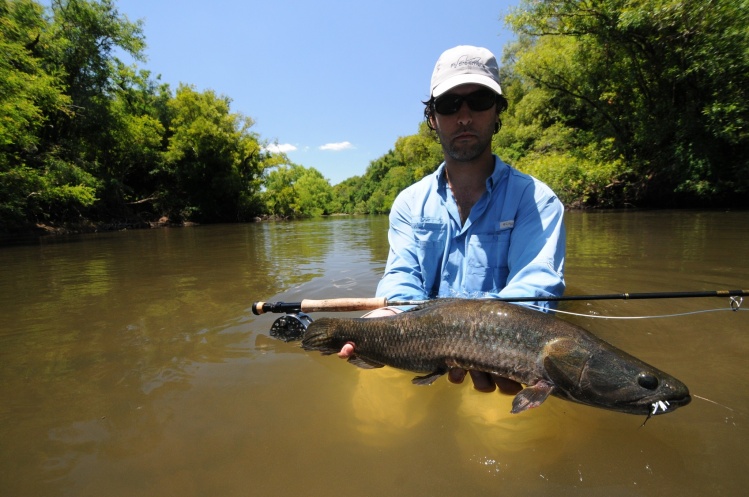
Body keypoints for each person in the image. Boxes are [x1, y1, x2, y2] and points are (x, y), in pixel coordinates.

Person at [339, 45, 566, 395]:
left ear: (497, 111)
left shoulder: (537, 201)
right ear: (433, 118)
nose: (464, 116)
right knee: (378, 422)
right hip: (418, 349)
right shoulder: (409, 203)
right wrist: (386, 326)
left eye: (479, 100)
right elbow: (401, 279)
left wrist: (476, 345)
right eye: (448, 105)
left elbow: (535, 291)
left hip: (504, 358)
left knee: (507, 438)